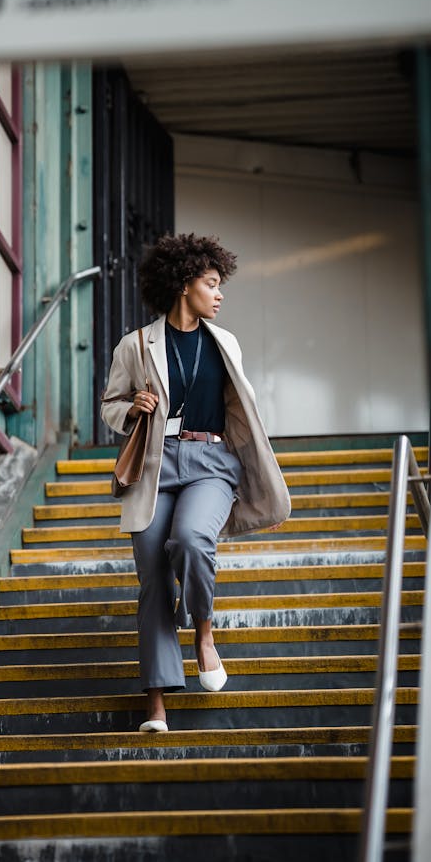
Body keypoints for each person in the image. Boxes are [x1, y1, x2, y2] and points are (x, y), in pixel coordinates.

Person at [100, 233, 291, 732]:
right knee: (154, 582)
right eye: (211, 284)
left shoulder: (224, 342)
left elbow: (244, 416)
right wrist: (130, 408)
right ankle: (157, 707)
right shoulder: (136, 344)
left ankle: (204, 633)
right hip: (154, 468)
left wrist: (259, 492)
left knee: (189, 540)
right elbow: (109, 406)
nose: (219, 293)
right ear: (186, 285)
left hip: (210, 461)